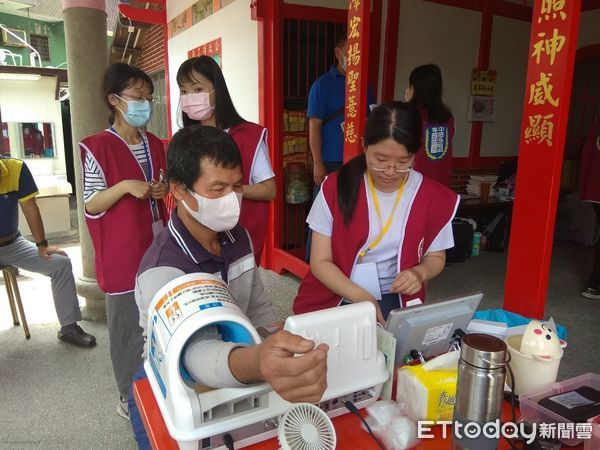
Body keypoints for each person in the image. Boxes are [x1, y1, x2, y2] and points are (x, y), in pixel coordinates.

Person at [130, 125, 328, 449]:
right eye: (217, 189)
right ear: (179, 190)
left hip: (236, 377)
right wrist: (260, 360)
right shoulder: (162, 270)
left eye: (236, 186)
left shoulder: (238, 237)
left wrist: (277, 338)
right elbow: (195, 354)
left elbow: (257, 307)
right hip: (173, 393)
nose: (231, 199)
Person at [293, 102, 460, 323]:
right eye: (380, 160)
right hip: (337, 290)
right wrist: (360, 296)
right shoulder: (335, 186)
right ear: (364, 146)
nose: (391, 171)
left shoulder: (432, 196)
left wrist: (420, 273)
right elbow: (320, 262)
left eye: (403, 162)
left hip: (394, 295)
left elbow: (436, 257)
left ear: (415, 154)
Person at [79, 63, 168, 419]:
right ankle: (128, 396)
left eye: (148, 97)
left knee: (158, 320)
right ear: (114, 100)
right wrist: (124, 187)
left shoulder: (155, 144)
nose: (144, 104)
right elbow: (91, 202)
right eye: (137, 97)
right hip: (121, 251)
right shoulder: (97, 147)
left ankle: (159, 384)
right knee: (127, 329)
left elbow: (158, 184)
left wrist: (158, 189)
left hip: (157, 243)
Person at [177, 56, 275, 264]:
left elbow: (269, 189)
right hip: (195, 238)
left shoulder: (249, 135)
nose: (189, 97)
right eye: (183, 91)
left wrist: (226, 191)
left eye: (197, 89)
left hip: (236, 235)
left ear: (216, 90)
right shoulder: (185, 139)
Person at [0, 156, 96, 347]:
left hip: (12, 243)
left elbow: (30, 208)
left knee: (60, 263)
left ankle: (69, 328)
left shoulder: (15, 168)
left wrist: (42, 245)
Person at [307, 36, 376, 186]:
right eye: (349, 52)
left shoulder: (365, 86)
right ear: (338, 53)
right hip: (330, 161)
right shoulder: (322, 85)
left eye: (357, 53)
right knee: (327, 205)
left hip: (359, 159)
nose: (353, 57)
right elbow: (314, 125)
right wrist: (318, 163)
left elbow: (371, 120)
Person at [405, 63, 454, 188]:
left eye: (410, 86)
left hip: (416, 186)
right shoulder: (447, 117)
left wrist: (407, 104)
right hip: (442, 185)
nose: (407, 89)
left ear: (416, 89)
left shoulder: (412, 115)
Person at [579, 118, 600, 299]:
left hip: (595, 187)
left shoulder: (597, 125)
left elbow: (587, 153)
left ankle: (594, 285)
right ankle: (595, 284)